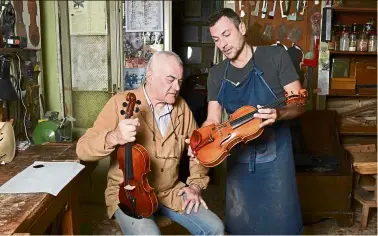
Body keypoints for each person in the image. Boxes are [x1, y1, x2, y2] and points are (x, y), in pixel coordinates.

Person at [76, 51, 224, 235]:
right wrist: (113, 137)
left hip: (169, 191)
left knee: (215, 228)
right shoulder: (120, 103)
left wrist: (195, 184)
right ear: (150, 77)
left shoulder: (182, 108)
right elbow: (82, 149)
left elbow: (197, 150)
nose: (177, 87)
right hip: (129, 194)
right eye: (170, 79)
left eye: (179, 81)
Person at [201, 8, 305, 235]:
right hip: (238, 156)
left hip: (277, 157)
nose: (222, 44)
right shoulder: (217, 73)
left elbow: (298, 104)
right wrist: (201, 141)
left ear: (242, 28)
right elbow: (212, 118)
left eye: (226, 34)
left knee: (280, 224)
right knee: (241, 225)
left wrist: (278, 114)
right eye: (216, 39)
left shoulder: (275, 57)